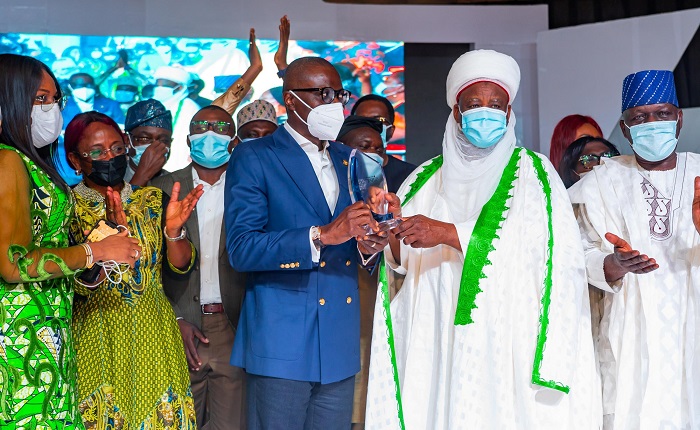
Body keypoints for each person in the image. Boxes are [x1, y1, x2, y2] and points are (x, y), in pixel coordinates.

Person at [366, 50, 601, 430]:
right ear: (456, 112)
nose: (485, 112)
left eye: (497, 104)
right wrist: (390, 226)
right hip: (437, 332)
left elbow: (553, 256)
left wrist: (447, 233)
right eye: (474, 103)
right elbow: (400, 261)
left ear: (509, 114)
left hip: (510, 337)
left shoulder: (535, 172)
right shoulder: (425, 177)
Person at [226, 56, 390, 430]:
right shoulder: (255, 156)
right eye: (322, 94)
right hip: (282, 340)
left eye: (339, 94)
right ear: (291, 100)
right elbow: (242, 248)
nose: (334, 104)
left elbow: (359, 245)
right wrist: (321, 236)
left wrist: (374, 240)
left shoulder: (352, 160)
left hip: (338, 338)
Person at [0, 53, 137, 429]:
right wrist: (96, 250)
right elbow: (14, 264)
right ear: (10, 98)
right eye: (40, 99)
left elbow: (47, 241)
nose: (52, 109)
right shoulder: (8, 160)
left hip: (46, 327)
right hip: (20, 337)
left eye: (54, 99)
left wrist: (102, 237)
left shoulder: (27, 160)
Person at [569, 70, 700, 429]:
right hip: (627, 335)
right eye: (639, 118)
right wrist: (612, 264)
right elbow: (575, 256)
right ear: (625, 129)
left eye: (662, 113)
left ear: (679, 118)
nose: (652, 123)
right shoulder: (600, 183)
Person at [65, 111, 203, 429]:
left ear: (127, 145)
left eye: (116, 147)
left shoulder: (154, 200)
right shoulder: (67, 207)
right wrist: (104, 238)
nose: (109, 157)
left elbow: (180, 268)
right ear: (75, 159)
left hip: (154, 335)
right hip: (96, 337)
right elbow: (75, 281)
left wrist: (173, 232)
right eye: (97, 152)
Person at [151, 105, 247, 430]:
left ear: (233, 141)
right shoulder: (161, 189)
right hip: (177, 327)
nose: (210, 134)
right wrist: (174, 318)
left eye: (220, 127)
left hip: (233, 326)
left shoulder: (250, 187)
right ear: (189, 140)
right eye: (201, 126)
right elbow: (147, 268)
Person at [350, 94, 414, 189]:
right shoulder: (337, 172)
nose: (370, 126)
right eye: (362, 120)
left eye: (379, 120)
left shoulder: (410, 176)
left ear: (391, 131)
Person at [152, 65, 202, 172]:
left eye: (164, 86)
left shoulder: (190, 108)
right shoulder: (154, 106)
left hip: (177, 167)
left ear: (179, 88)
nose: (159, 89)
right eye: (157, 85)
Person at [124, 98, 173, 187]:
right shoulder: (112, 179)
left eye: (163, 140)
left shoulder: (176, 183)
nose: (153, 146)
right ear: (127, 140)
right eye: (145, 138)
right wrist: (143, 175)